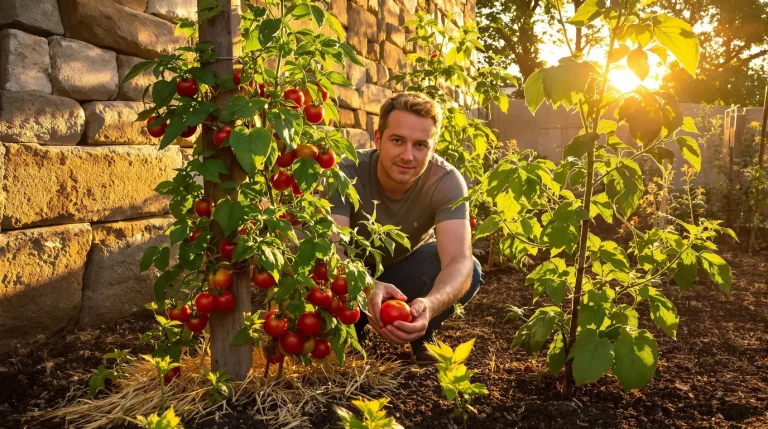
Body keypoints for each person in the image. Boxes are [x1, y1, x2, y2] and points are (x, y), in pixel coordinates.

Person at [326, 92, 483, 364]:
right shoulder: (345, 173)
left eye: (420, 145)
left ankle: (421, 331)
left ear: (433, 148)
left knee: (471, 268)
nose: (407, 156)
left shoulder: (445, 182)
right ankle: (353, 329)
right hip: (344, 282)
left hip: (403, 277)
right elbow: (332, 254)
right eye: (397, 141)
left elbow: (458, 261)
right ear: (378, 139)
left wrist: (430, 306)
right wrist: (366, 286)